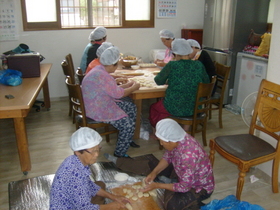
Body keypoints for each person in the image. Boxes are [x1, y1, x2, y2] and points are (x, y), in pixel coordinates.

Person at [49, 127, 130, 209]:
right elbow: (84, 208)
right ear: (78, 152)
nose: (97, 154)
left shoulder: (77, 160)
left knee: (100, 185)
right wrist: (111, 206)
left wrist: (113, 197)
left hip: (77, 201)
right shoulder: (74, 173)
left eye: (98, 149)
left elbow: (89, 185)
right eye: (93, 151)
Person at [82, 46, 141, 158]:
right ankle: (120, 153)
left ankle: (128, 138)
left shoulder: (99, 70)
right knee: (127, 124)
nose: (117, 66)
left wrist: (128, 85)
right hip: (97, 109)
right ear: (112, 64)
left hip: (95, 104)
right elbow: (119, 94)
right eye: (117, 64)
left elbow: (112, 89)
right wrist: (134, 87)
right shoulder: (102, 75)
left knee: (131, 107)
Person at [143, 119, 214, 210]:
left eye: (162, 141)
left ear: (171, 141)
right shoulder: (179, 139)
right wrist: (154, 172)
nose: (161, 143)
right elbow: (167, 156)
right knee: (151, 164)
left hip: (198, 188)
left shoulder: (188, 156)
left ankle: (194, 203)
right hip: (183, 173)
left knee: (172, 205)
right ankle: (170, 182)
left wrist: (157, 185)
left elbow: (184, 187)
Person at [149, 38, 209, 131]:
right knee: (187, 104)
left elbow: (158, 81)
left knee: (154, 107)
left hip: (175, 106)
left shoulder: (172, 65)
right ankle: (185, 131)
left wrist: (169, 80)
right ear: (189, 52)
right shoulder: (199, 65)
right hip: (195, 107)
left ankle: (161, 132)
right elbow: (206, 83)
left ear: (175, 53)